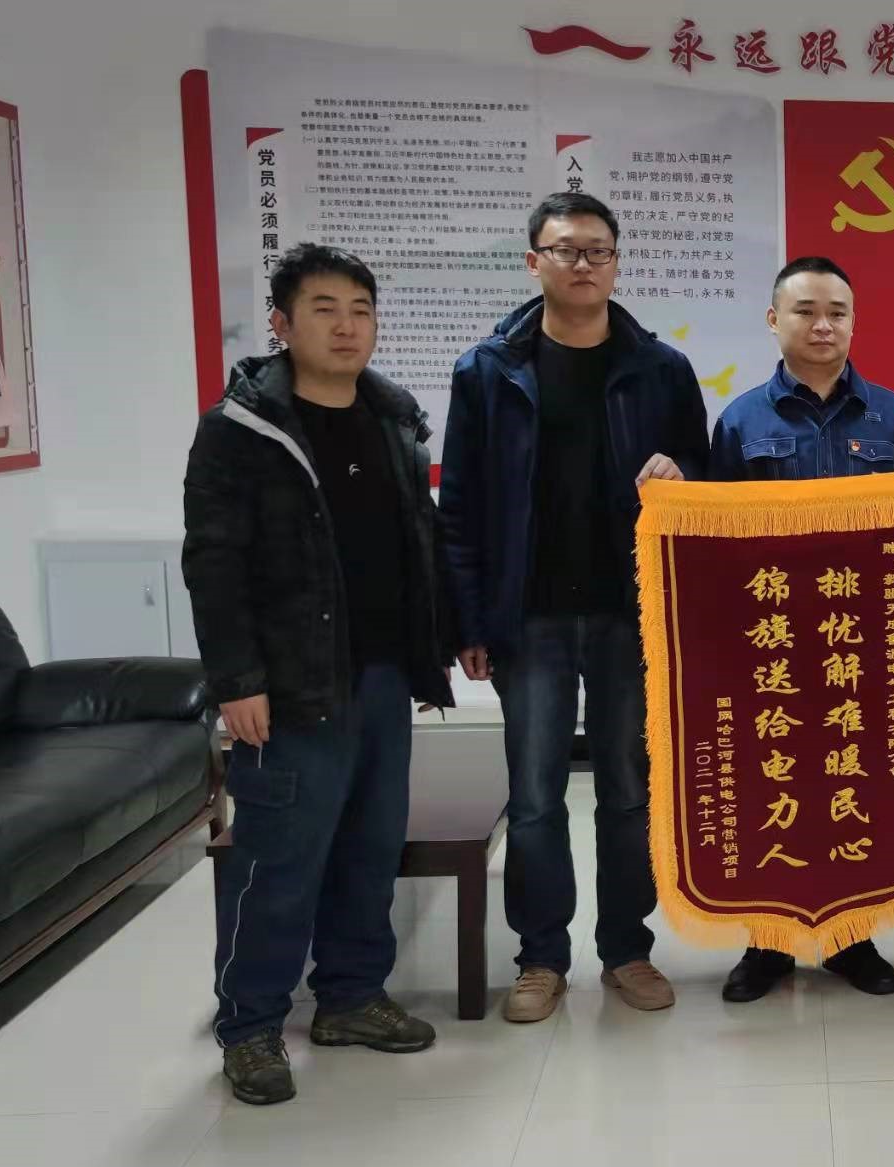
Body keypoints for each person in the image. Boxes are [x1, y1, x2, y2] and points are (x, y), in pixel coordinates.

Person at [183, 244, 457, 1105]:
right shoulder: (240, 430)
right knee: (279, 858)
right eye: (325, 309)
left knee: (370, 846)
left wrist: (439, 643)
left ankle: (350, 995)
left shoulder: (392, 418)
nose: (346, 327)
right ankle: (251, 1026)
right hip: (293, 682)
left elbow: (418, 541)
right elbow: (213, 563)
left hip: (382, 673)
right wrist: (237, 681)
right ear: (282, 322)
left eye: (360, 310)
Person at [438, 192, 708, 1022]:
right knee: (535, 794)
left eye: (597, 250)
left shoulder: (661, 369)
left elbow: (704, 479)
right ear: (534, 262)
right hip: (531, 616)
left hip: (632, 612)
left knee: (629, 789)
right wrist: (469, 621)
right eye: (565, 250)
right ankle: (541, 957)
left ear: (617, 262)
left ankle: (627, 947)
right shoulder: (488, 371)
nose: (583, 264)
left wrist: (683, 472)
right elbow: (461, 508)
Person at [706, 255, 894, 1002]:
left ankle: (851, 936)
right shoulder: (741, 421)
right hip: (771, 642)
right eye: (805, 311)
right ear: (774, 320)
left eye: (837, 312)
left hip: (863, 644)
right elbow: (717, 540)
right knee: (772, 782)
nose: (822, 326)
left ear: (853, 322)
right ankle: (769, 942)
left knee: (854, 781)